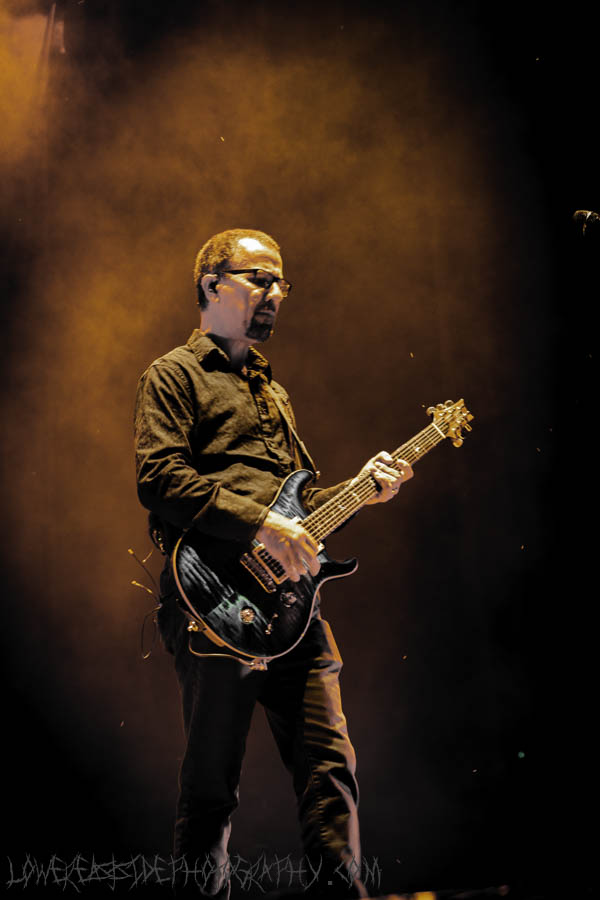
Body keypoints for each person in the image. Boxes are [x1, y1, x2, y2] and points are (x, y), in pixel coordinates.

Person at [134, 228, 413, 898]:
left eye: (282, 281)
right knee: (213, 786)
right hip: (212, 596)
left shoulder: (272, 392)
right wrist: (260, 522)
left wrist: (359, 490)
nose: (276, 293)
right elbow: (159, 479)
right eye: (260, 278)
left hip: (293, 606)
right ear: (212, 284)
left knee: (330, 767)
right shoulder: (173, 374)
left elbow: (298, 503)